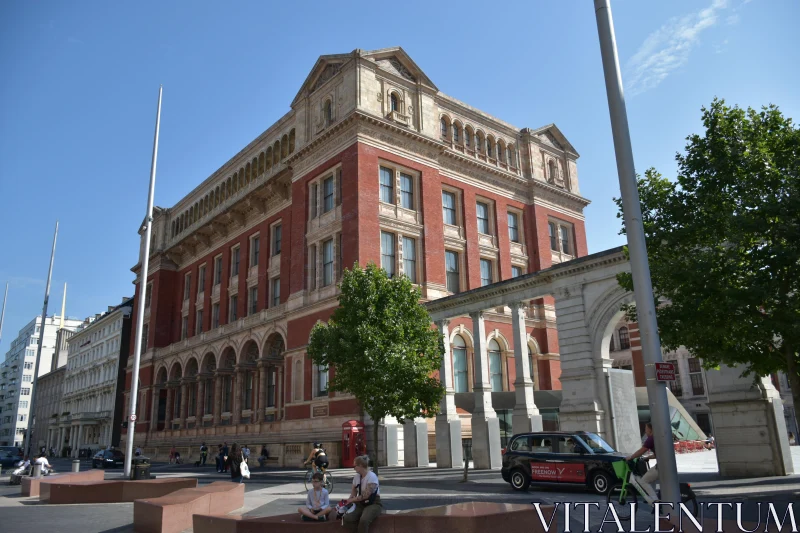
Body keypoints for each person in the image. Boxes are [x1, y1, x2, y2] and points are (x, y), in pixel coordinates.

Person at [343, 455, 382, 532]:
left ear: (360, 466)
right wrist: (347, 501)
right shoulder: (356, 477)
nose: (353, 468)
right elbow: (353, 493)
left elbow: (366, 495)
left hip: (373, 503)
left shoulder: (372, 476)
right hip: (360, 503)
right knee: (347, 518)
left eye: (354, 466)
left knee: (364, 520)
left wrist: (353, 499)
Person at [626, 422, 659, 505]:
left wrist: (631, 457)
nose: (645, 431)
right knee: (651, 479)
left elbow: (642, 451)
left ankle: (655, 501)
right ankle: (654, 497)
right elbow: (657, 454)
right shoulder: (657, 437)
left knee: (643, 481)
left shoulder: (651, 438)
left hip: (661, 467)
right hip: (665, 466)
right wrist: (648, 457)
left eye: (646, 429)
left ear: (650, 430)